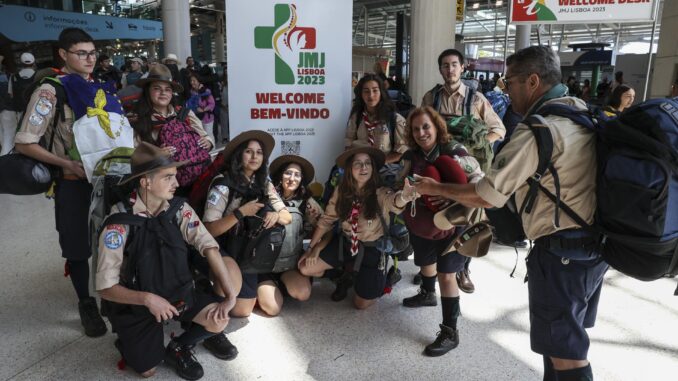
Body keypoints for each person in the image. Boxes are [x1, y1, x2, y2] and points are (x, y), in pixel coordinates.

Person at [414, 46, 606, 381]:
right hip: (594, 248)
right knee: (561, 344)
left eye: (511, 81)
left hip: (561, 253)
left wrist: (437, 189)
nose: (506, 88)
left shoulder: (538, 129)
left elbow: (486, 194)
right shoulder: (582, 113)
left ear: (533, 81)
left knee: (566, 355)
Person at [14, 27, 135, 337]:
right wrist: (66, 164)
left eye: (92, 53)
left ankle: (111, 294)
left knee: (114, 238)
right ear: (63, 55)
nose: (89, 59)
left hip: (110, 181)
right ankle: (86, 303)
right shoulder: (51, 90)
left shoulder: (101, 88)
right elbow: (26, 142)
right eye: (81, 53)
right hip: (73, 182)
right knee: (78, 246)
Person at [96, 142, 238, 380]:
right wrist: (147, 299)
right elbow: (105, 288)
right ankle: (131, 341)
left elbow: (208, 245)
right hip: (140, 304)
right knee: (147, 370)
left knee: (218, 320)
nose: (177, 183)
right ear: (146, 182)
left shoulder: (178, 209)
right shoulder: (118, 223)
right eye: (168, 178)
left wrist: (230, 294)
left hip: (179, 292)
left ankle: (178, 347)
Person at [420, 48, 506, 292]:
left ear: (462, 67)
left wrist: (474, 147)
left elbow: (499, 130)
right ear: (440, 69)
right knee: (436, 212)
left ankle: (463, 267)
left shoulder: (476, 99)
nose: (450, 69)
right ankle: (432, 266)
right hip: (438, 164)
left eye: (454, 64)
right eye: (445, 65)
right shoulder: (430, 98)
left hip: (469, 170)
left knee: (467, 218)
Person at [398, 106, 483, 356]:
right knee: (424, 260)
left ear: (436, 127)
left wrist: (446, 191)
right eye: (416, 129)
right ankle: (427, 292)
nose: (421, 133)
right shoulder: (411, 156)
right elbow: (399, 183)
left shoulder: (455, 152)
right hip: (423, 221)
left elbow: (479, 181)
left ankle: (450, 332)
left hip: (453, 223)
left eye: (426, 127)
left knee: (447, 274)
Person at [298, 146, 418, 310]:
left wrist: (404, 197)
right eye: (358, 164)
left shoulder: (380, 192)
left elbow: (394, 202)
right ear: (349, 169)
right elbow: (327, 220)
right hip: (347, 245)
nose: (364, 168)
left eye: (367, 163)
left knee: (361, 304)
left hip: (372, 250)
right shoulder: (341, 190)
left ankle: (385, 280)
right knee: (306, 267)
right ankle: (347, 273)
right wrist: (311, 248)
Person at [202, 131, 292, 317]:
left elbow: (287, 217)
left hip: (249, 247)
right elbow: (209, 229)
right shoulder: (222, 184)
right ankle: (211, 283)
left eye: (259, 152)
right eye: (249, 152)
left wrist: (276, 215)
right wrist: (240, 213)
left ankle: (257, 281)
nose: (254, 157)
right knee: (239, 310)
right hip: (224, 246)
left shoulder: (264, 182)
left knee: (248, 310)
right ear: (239, 155)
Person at [249, 154, 323, 315]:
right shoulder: (265, 195)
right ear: (280, 175)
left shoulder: (306, 202)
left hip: (289, 264)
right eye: (288, 173)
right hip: (263, 266)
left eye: (297, 175)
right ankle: (261, 289)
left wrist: (313, 250)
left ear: (302, 179)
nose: (292, 178)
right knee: (272, 309)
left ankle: (280, 287)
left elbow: (324, 227)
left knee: (303, 293)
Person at [129, 64, 214, 194]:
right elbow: (135, 157)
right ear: (148, 91)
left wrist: (208, 142)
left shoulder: (185, 114)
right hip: (162, 187)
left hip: (198, 178)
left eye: (167, 89)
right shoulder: (138, 120)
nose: (163, 93)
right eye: (157, 88)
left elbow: (205, 136)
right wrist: (158, 155)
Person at [345, 74, 408, 167]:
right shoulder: (356, 118)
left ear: (381, 93)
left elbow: (402, 152)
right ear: (361, 94)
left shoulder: (395, 119)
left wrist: (378, 163)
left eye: (375, 90)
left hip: (385, 171)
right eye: (366, 91)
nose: (371, 95)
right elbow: (348, 146)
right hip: (361, 169)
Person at [3, 52, 36, 155]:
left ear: (21, 63)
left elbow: (10, 94)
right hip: (35, 110)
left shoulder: (14, 77)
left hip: (20, 110)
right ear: (33, 62)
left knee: (21, 132)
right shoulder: (38, 75)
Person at [185, 74, 216, 144]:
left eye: (194, 80)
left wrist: (203, 109)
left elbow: (212, 104)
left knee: (209, 134)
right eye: (191, 81)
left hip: (207, 118)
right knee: (200, 136)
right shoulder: (191, 92)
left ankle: (212, 151)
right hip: (196, 118)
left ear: (199, 81)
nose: (192, 82)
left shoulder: (205, 91)